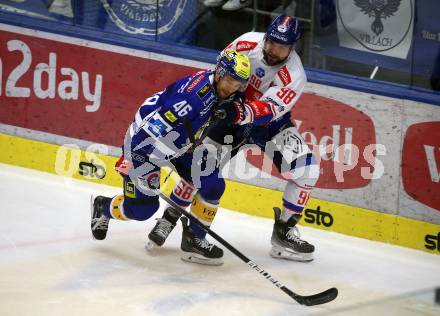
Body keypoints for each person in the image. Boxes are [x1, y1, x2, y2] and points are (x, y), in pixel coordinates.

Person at [148, 14, 320, 264]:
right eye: (271, 42)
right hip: (227, 117)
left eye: (282, 47)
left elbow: (269, 110)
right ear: (266, 36)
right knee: (199, 171)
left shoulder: (295, 74)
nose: (273, 50)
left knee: (307, 171)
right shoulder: (247, 43)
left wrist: (239, 111)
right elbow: (221, 70)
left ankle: (285, 232)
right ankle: (169, 218)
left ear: (293, 47)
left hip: (270, 126)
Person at [91, 50, 251, 266]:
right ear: (220, 72)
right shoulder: (192, 99)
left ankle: (195, 240)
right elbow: (148, 130)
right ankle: (104, 207)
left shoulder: (223, 91)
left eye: (238, 83)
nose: (233, 87)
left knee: (213, 184)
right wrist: (134, 160)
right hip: (145, 148)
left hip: (180, 146)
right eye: (230, 80)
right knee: (141, 210)